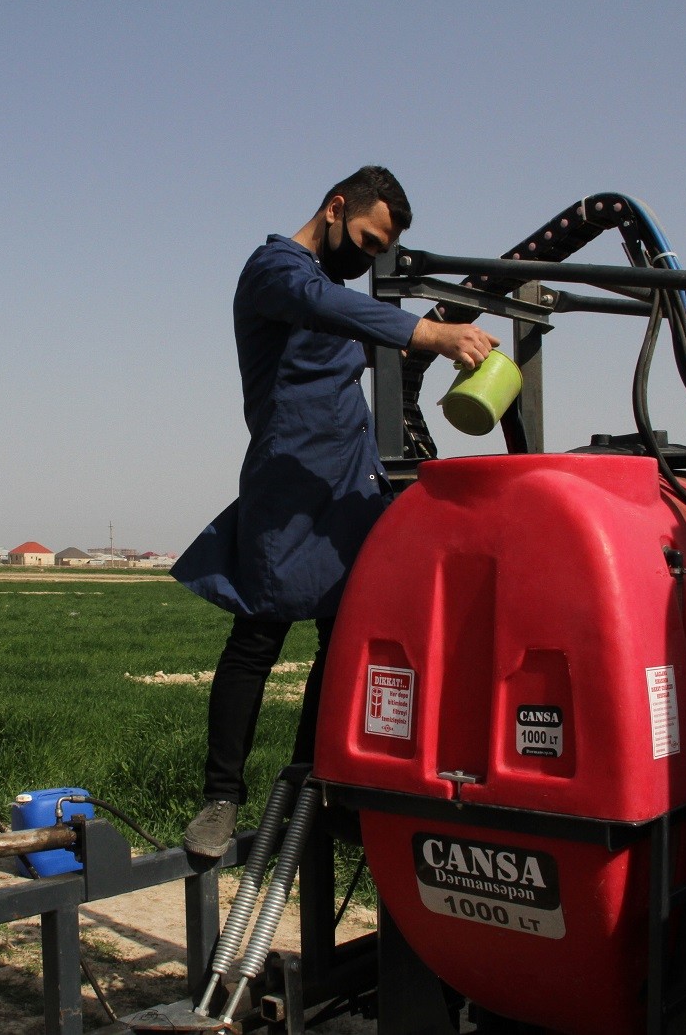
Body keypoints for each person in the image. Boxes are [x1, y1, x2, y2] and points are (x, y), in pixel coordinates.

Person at [172, 167, 500, 856]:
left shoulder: (337, 293)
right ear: (335, 207)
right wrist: (431, 335)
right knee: (257, 638)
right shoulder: (276, 270)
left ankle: (311, 788)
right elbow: (325, 306)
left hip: (350, 485)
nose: (369, 255)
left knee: (342, 642)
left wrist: (461, 337)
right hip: (287, 481)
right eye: (367, 238)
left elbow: (361, 324)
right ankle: (220, 799)